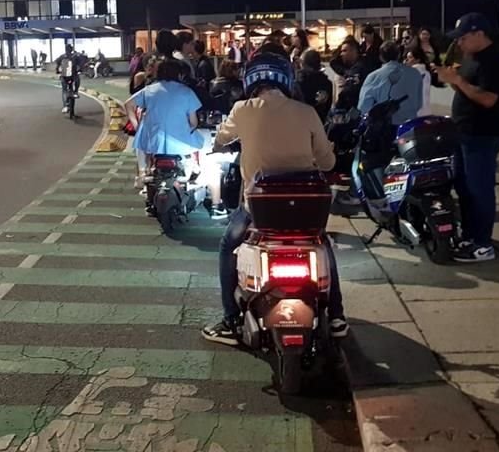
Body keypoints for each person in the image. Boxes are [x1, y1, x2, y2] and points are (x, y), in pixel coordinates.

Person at [202, 53, 347, 346]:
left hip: (259, 208)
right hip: (305, 209)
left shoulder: (242, 109)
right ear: (285, 80)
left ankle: (230, 318)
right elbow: (328, 162)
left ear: (251, 81)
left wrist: (220, 144)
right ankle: (335, 314)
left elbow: (221, 139)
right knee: (323, 245)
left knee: (228, 245)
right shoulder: (306, 112)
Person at [435, 14, 499, 263]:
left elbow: (488, 99)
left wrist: (457, 80)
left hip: (482, 134)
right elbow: (469, 91)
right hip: (464, 131)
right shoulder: (472, 58)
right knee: (464, 188)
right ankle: (470, 235)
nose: (459, 44)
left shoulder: (495, 62)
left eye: (464, 38)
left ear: (480, 34)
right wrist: (453, 81)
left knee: (480, 190)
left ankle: (483, 244)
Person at [125, 58, 205, 198]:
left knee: (143, 142)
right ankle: (195, 168)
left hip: (154, 142)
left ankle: (144, 173)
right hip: (181, 143)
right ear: (179, 74)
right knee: (203, 140)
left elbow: (128, 104)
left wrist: (138, 127)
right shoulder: (186, 91)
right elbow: (193, 122)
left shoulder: (149, 90)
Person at [357, 41, 423, 126]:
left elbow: (364, 106)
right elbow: (418, 103)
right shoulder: (415, 74)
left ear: (381, 57)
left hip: (383, 127)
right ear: (398, 55)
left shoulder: (373, 76)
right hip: (408, 126)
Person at [329, 37, 369, 114]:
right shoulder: (361, 64)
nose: (341, 54)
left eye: (344, 51)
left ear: (353, 51)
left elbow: (347, 93)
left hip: (354, 111)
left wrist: (337, 109)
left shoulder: (357, 69)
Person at [297, 48, 333, 122]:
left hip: (300, 122)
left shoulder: (298, 82)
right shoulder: (327, 83)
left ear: (303, 63)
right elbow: (327, 106)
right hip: (319, 122)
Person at [55, 44, 84, 112]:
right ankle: (76, 91)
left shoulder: (62, 56)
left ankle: (65, 106)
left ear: (65, 49)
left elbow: (57, 63)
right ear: (71, 49)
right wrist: (80, 70)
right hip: (73, 76)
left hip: (64, 76)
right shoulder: (75, 56)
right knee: (77, 80)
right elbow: (80, 64)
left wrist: (57, 70)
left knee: (64, 90)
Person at [405, 47, 432, 117]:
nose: (407, 60)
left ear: (418, 59)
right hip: (426, 111)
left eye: (410, 57)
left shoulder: (410, 73)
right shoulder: (427, 73)